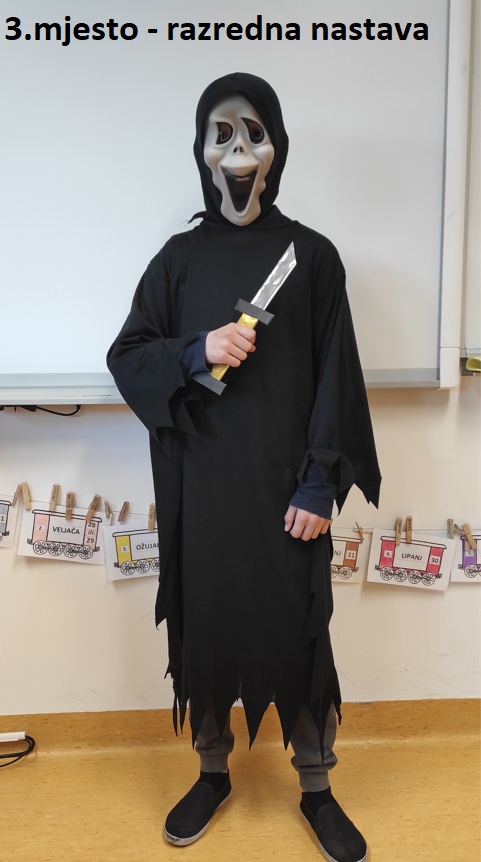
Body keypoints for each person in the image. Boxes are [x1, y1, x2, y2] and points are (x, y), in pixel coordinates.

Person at [107, 72, 381, 862]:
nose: (237, 150)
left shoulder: (312, 259)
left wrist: (319, 485)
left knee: (300, 633)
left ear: (276, 147)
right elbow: (127, 356)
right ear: (199, 150)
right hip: (202, 493)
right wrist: (197, 349)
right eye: (219, 133)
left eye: (252, 132)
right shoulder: (178, 261)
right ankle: (211, 772)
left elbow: (336, 378)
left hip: (287, 493)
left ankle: (316, 786)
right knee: (206, 629)